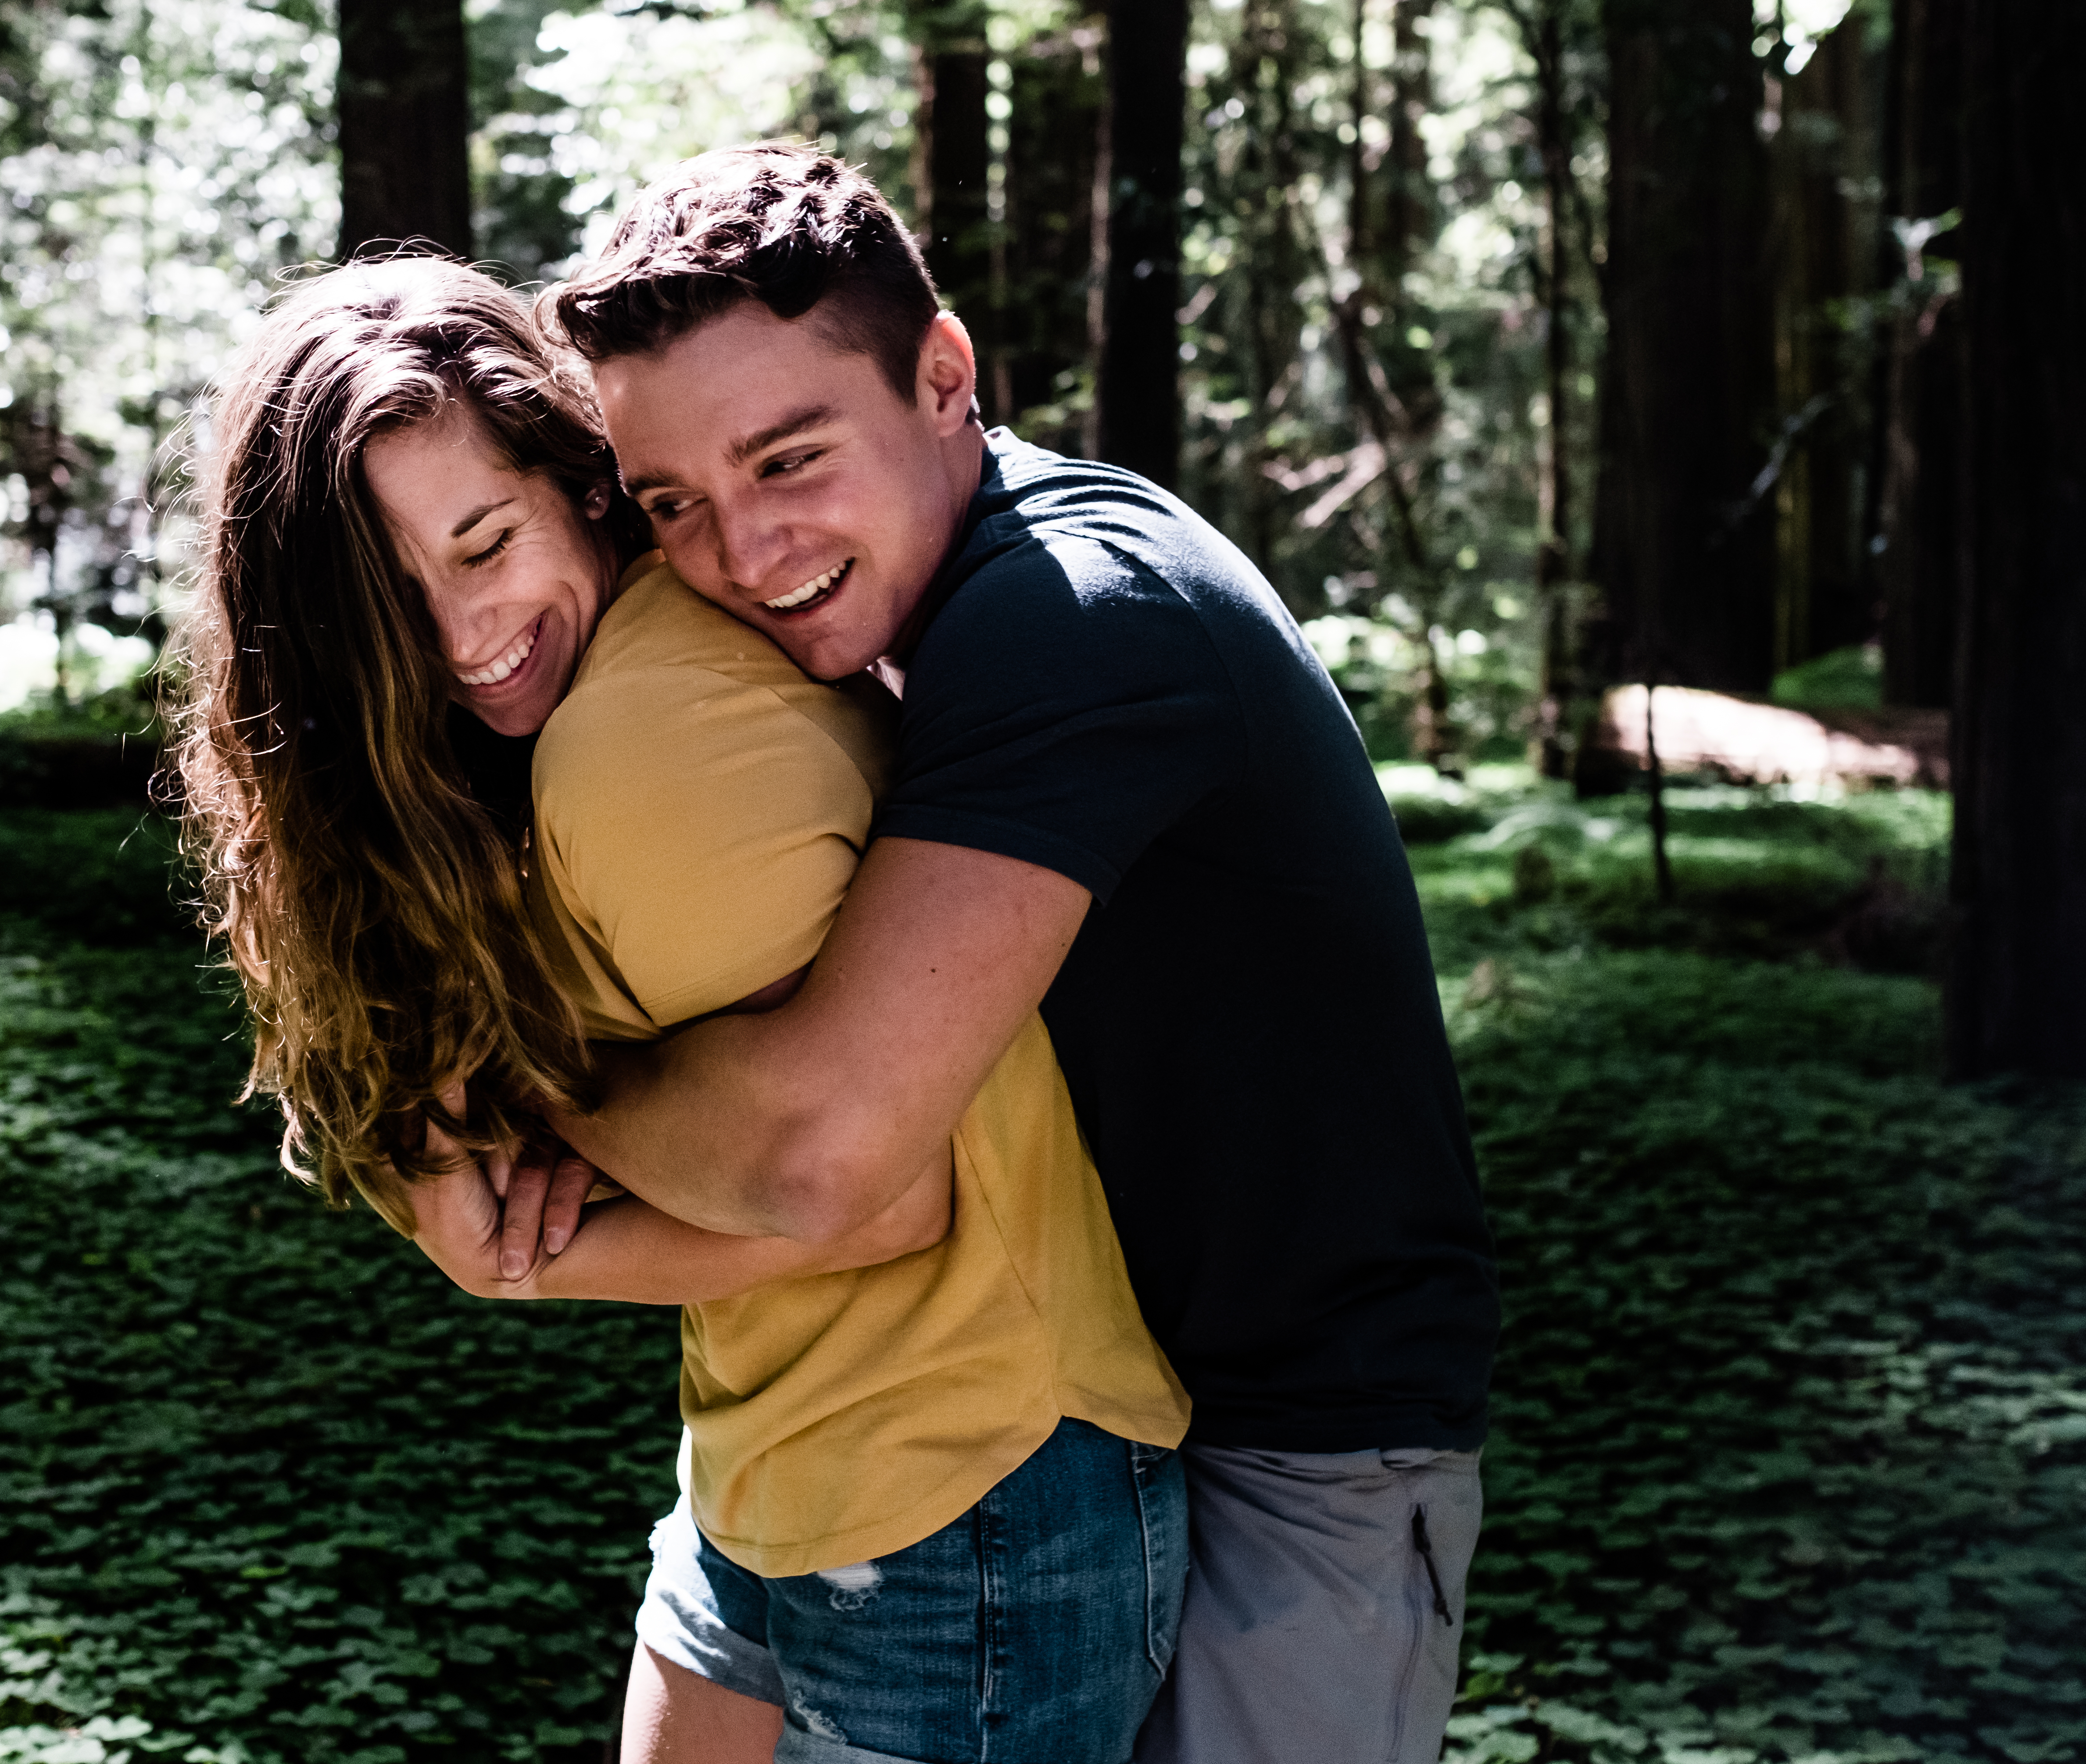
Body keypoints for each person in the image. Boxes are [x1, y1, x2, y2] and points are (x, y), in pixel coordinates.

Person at [511, 145, 1504, 1764]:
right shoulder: (933, 591)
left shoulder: (1071, 613)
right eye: (675, 503)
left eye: (788, 460)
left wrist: (540, 1085)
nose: (743, 555)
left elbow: (825, 1152)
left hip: (1300, 1439)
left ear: (944, 374)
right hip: (1072, 1408)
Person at [168, 255, 1190, 1764]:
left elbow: (868, 1199)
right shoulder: (572, 715)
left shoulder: (646, 740)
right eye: (392, 601)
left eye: (483, 542)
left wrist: (528, 1253)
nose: (461, 638)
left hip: (960, 1483)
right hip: (793, 1451)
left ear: (576, 483)